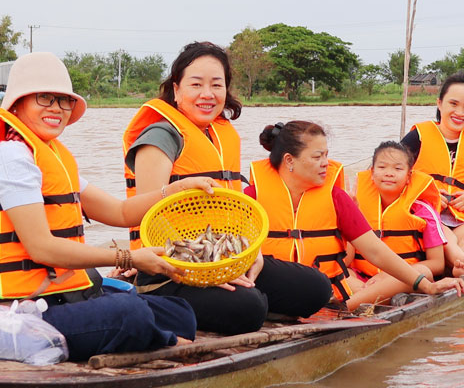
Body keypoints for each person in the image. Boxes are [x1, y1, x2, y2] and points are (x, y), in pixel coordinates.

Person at [0, 52, 204, 360]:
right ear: (18, 104)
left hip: (59, 298)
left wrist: (173, 190)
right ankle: (157, 340)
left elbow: (119, 212)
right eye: (44, 98)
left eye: (64, 101)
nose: (57, 109)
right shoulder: (9, 157)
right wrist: (129, 258)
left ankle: (152, 335)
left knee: (179, 312)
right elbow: (41, 249)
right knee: (129, 312)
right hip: (16, 314)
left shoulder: (52, 157)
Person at [122, 42, 329, 334]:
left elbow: (235, 211)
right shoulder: (159, 137)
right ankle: (201, 304)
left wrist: (251, 256)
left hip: (224, 260)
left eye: (216, 85)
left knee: (316, 288)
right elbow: (149, 215)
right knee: (249, 308)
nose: (207, 94)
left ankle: (245, 295)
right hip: (171, 271)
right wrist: (204, 272)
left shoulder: (221, 135)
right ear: (177, 90)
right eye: (196, 84)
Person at [248, 121, 464, 313]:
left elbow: (375, 250)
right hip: (272, 287)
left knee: (322, 285)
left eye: (326, 154)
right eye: (317, 157)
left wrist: (426, 285)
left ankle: (339, 308)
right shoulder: (252, 196)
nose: (326, 163)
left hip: (321, 293)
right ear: (289, 161)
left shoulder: (336, 197)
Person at [345, 141, 464, 308]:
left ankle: (351, 304)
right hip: (361, 279)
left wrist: (386, 277)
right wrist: (349, 216)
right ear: (372, 173)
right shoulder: (357, 205)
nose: (389, 173)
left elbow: (437, 264)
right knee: (339, 273)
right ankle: (368, 297)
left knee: (424, 273)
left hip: (403, 278)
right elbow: (346, 260)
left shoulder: (423, 210)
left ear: (408, 176)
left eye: (398, 169)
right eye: (382, 167)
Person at [402, 72, 464, 274]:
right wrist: (427, 196)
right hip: (429, 216)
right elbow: (389, 180)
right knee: (445, 236)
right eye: (453, 104)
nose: (460, 112)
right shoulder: (417, 138)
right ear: (440, 104)